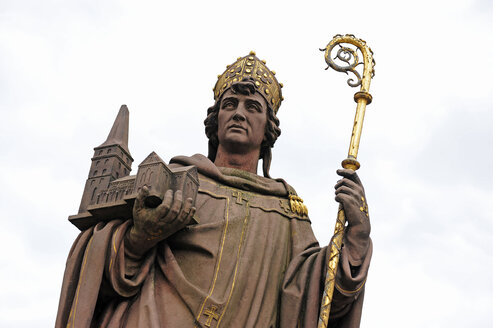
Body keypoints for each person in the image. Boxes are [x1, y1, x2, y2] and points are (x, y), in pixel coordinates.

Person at [56, 52, 372, 328]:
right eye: (230, 105)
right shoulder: (175, 180)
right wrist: (140, 238)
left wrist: (355, 239)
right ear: (215, 120)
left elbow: (317, 300)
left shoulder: (285, 212)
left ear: (267, 130)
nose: (238, 113)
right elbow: (95, 260)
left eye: (253, 107)